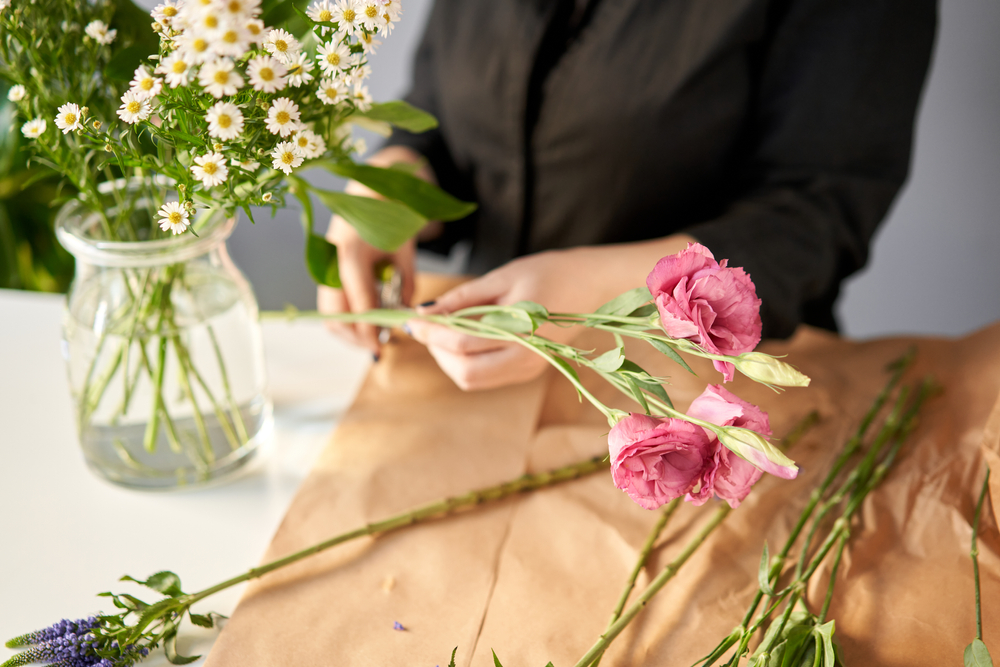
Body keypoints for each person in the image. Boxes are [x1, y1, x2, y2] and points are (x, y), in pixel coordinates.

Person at [318, 0, 937, 390]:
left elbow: (818, 212)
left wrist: (595, 290)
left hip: (702, 400)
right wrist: (396, 188)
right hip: (484, 381)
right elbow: (443, 113)